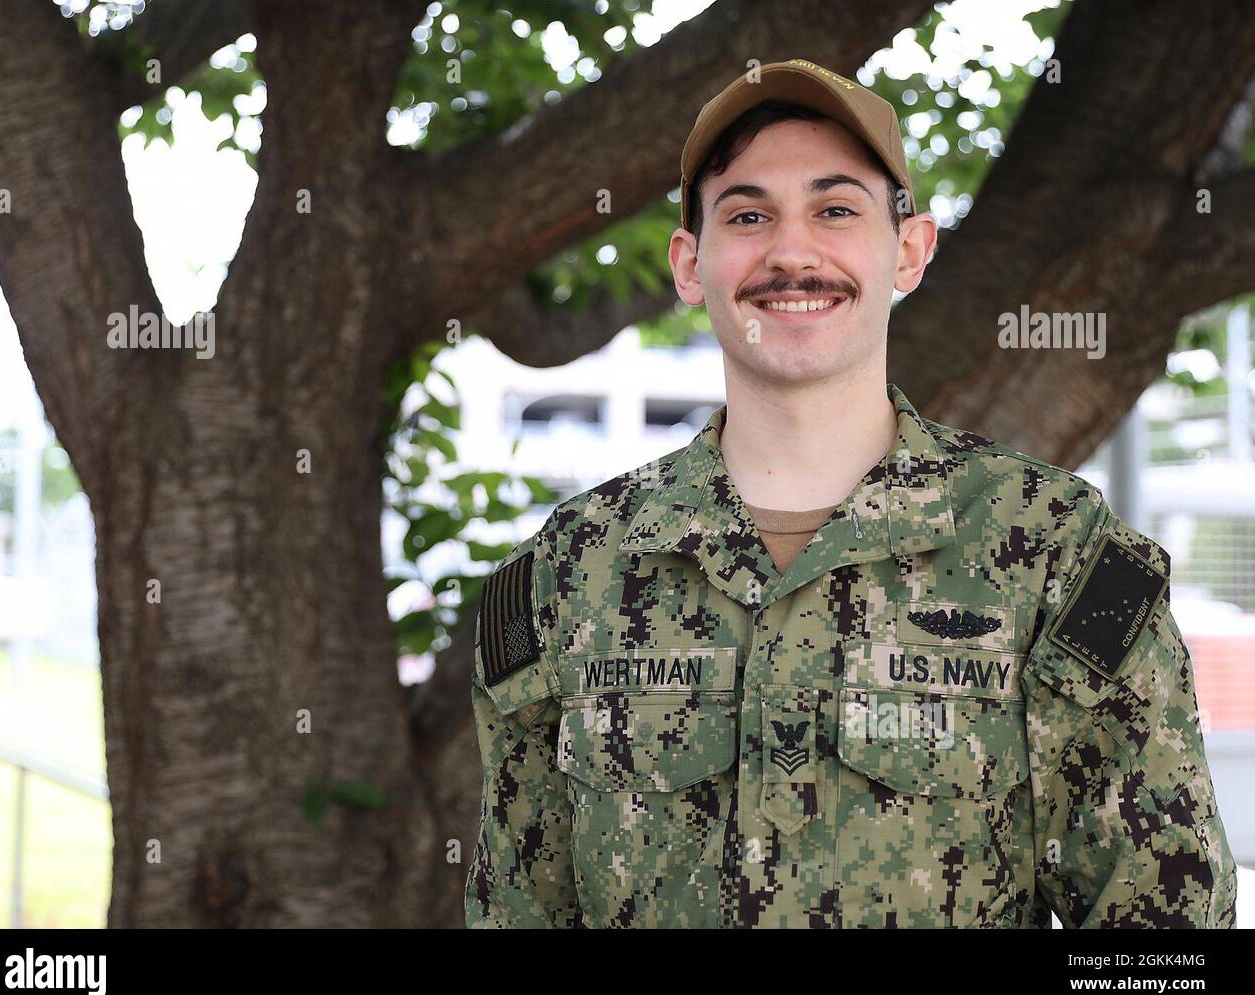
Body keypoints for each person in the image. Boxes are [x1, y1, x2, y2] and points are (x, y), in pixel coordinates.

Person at [463, 58, 1237, 928]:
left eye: (835, 210)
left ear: (908, 251)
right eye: (748, 215)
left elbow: (1162, 939)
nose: (792, 254)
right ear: (690, 264)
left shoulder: (1054, 551)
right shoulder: (572, 570)